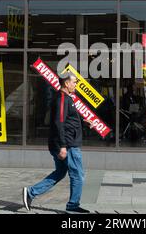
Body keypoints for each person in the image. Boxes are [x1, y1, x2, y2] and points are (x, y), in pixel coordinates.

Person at [22, 72, 93, 213]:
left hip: (66, 143)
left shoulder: (67, 98)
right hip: (68, 145)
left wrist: (83, 122)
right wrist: (63, 147)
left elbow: (67, 120)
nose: (76, 85)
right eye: (74, 82)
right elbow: (59, 123)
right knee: (78, 175)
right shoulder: (62, 99)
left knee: (60, 172)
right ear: (66, 83)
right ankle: (73, 207)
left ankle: (30, 192)